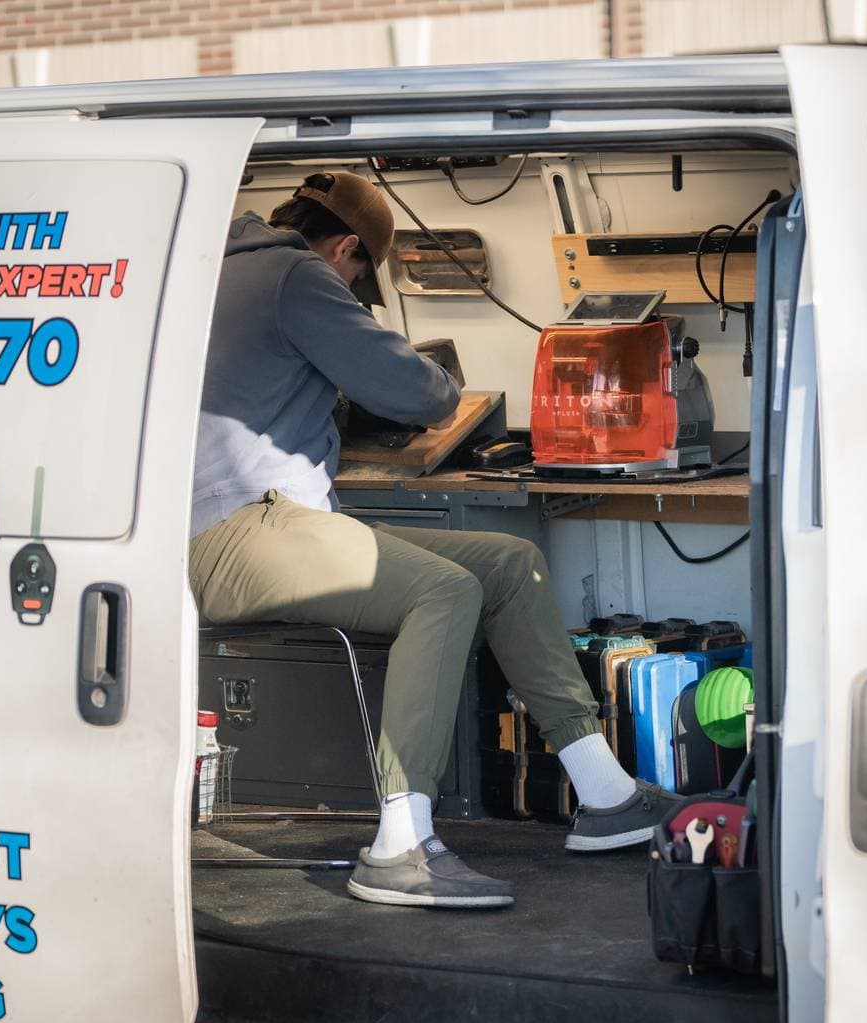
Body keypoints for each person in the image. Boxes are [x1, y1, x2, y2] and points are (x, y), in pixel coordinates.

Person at [188, 171, 679, 909]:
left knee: (511, 564)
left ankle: (605, 793)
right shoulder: (295, 271)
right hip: (236, 527)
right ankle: (400, 845)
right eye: (360, 278)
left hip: (272, 519)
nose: (353, 289)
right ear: (349, 247)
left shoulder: (217, 268)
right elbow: (414, 392)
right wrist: (443, 382)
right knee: (443, 590)